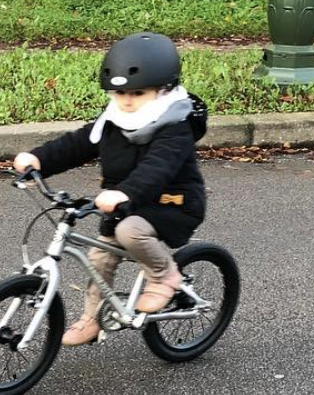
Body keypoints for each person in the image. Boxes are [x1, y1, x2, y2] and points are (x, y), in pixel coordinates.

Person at [14, 32, 208, 346]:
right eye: (119, 93)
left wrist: (125, 192)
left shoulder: (176, 125)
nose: (127, 101)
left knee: (131, 232)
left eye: (138, 92)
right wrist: (38, 158)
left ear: (164, 89)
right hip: (124, 205)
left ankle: (165, 276)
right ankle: (92, 319)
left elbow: (157, 167)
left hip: (171, 204)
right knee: (99, 258)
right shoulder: (115, 119)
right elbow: (77, 144)